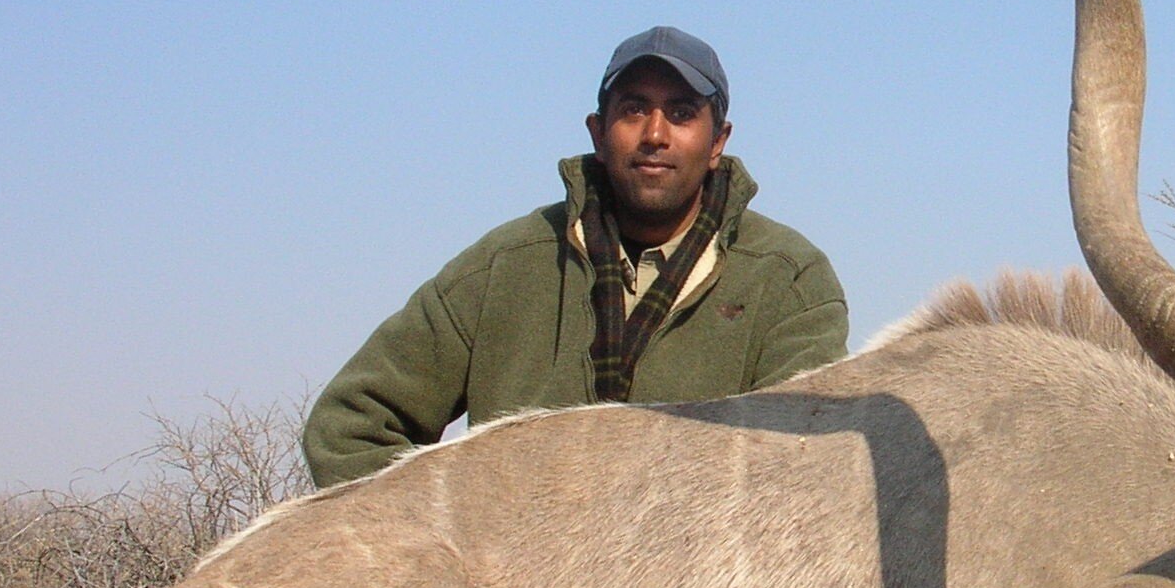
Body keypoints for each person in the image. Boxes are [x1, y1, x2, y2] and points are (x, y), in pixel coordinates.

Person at [302, 27, 848, 487]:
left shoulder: (790, 281)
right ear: (597, 131)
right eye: (633, 109)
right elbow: (350, 426)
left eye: (681, 113)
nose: (655, 134)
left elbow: (799, 467)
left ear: (716, 142)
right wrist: (444, 551)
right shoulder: (502, 267)